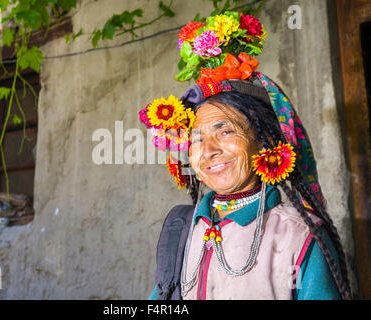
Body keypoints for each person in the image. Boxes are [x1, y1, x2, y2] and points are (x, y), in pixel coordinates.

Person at [139, 11, 352, 300]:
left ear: (262, 142)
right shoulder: (181, 230)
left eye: (225, 131)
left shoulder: (300, 236)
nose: (209, 150)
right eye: (197, 138)